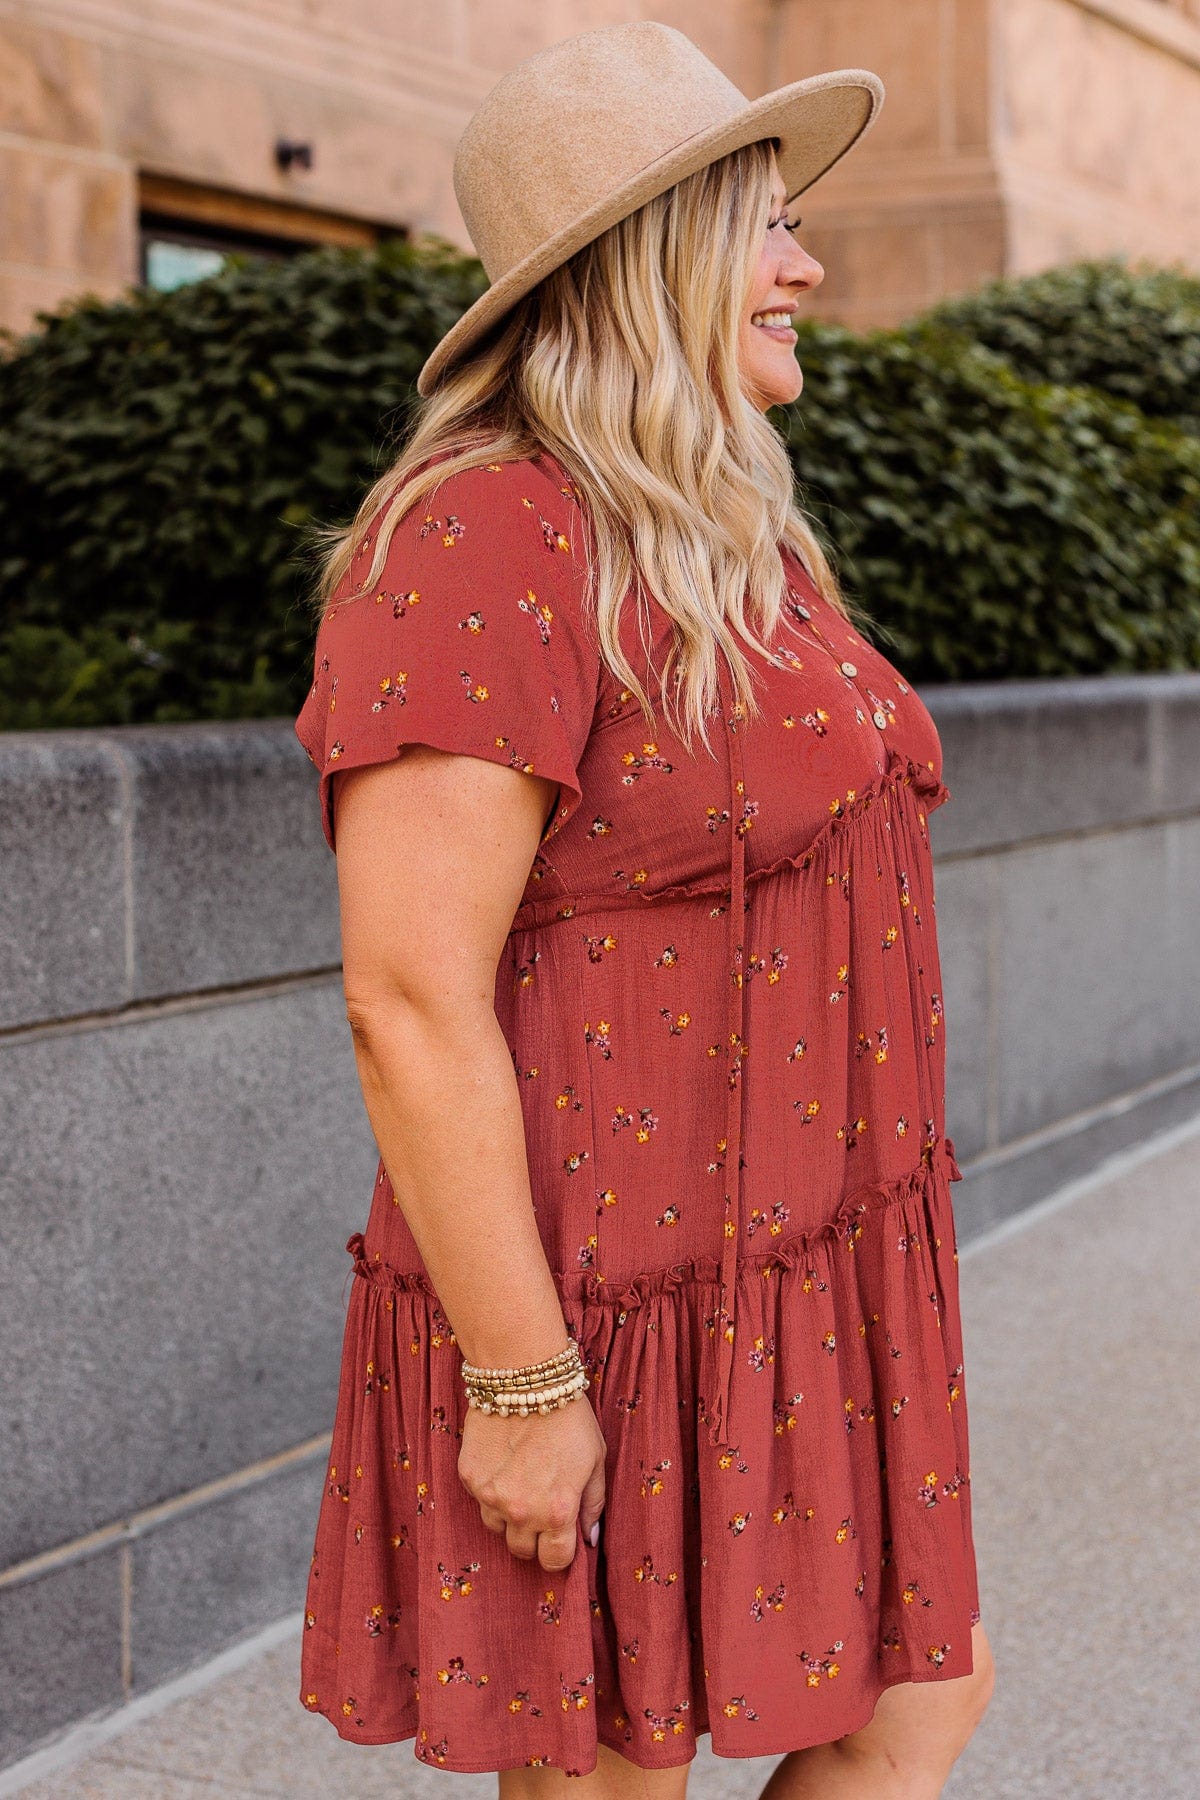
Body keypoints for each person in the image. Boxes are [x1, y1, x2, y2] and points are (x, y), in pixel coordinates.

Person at [293, 20, 994, 1797]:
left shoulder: (713, 535)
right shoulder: (482, 534)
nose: (806, 269)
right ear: (650, 255)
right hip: (607, 1308)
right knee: (618, 1774)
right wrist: (525, 1387)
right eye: (767, 227)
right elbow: (407, 996)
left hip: (796, 1283)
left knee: (921, 1697)